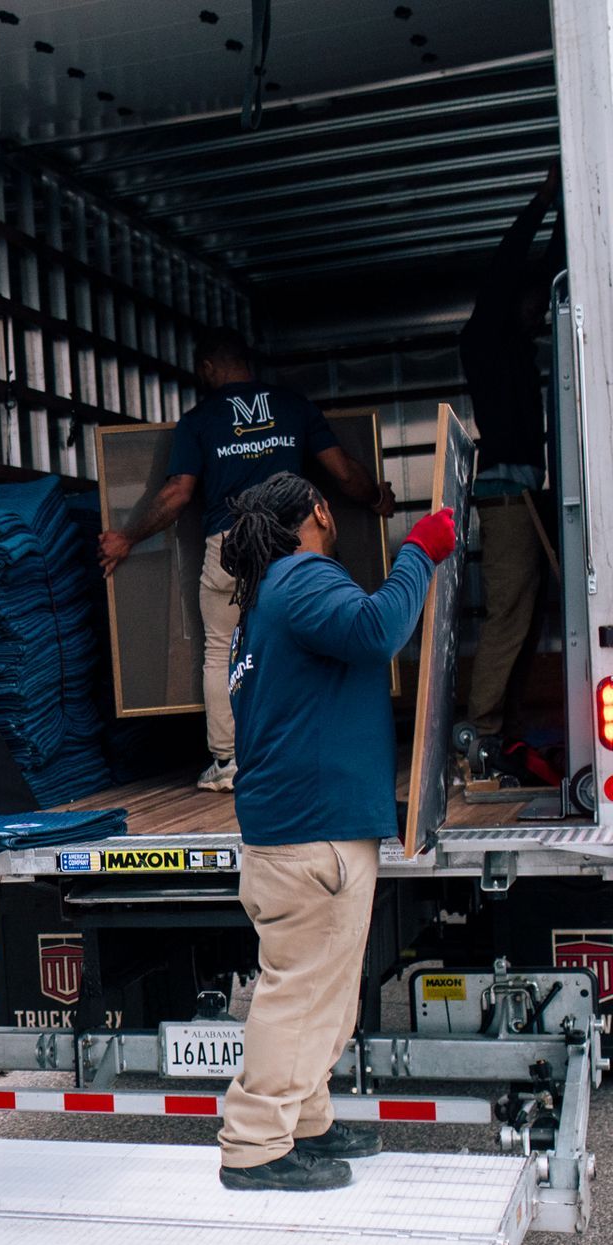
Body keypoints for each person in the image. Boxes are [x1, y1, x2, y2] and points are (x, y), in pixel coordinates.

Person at [214, 473, 455, 1191]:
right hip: (313, 836)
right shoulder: (302, 578)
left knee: (325, 993)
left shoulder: (265, 602)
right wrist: (419, 551)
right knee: (300, 995)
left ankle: (309, 1118)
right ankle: (255, 1146)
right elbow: (379, 629)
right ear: (317, 511)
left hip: (299, 832)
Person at [98, 329, 395, 793]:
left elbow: (178, 494)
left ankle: (230, 762)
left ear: (210, 368)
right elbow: (343, 473)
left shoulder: (199, 420)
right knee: (306, 640)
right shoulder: (293, 405)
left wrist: (125, 538)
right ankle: (308, 749)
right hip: (292, 546)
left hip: (230, 548)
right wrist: (377, 496)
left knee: (221, 651)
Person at [460, 164, 565, 751]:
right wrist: (543, 200)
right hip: (505, 496)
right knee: (508, 616)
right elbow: (509, 265)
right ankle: (482, 727)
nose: (542, 314)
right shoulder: (487, 337)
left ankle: (508, 723)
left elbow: (545, 270)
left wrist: (566, 211)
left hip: (527, 492)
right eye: (536, 306)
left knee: (528, 620)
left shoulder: (519, 342)